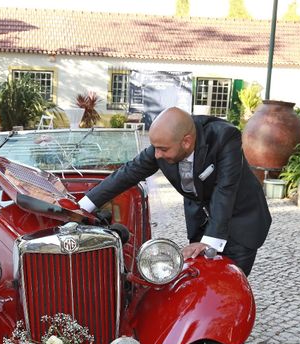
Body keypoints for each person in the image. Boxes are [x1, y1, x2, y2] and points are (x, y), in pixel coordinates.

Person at [79, 107, 271, 277]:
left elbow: (226, 189)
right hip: (202, 221)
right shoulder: (163, 145)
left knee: (229, 283)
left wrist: (210, 242)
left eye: (162, 150)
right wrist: (82, 207)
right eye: (155, 148)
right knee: (200, 277)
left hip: (241, 222)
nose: (156, 155)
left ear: (187, 142)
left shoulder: (224, 137)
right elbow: (127, 173)